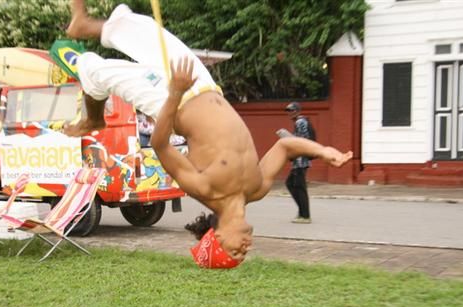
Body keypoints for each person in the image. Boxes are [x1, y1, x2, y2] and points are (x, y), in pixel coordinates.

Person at [64, 1, 352, 268]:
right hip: (204, 85)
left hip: (168, 98)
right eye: (243, 254)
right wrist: (323, 151)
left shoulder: (204, 189)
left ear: (216, 237)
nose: (246, 248)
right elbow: (286, 147)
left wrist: (175, 93)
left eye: (236, 252)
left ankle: (94, 118)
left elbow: (161, 145)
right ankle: (85, 25)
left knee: (102, 72)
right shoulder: (257, 188)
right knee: (146, 32)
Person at [283, 101, 316, 224]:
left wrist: (288, 139)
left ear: (297, 111)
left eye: (292, 110)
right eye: (288, 111)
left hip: (301, 160)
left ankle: (305, 215)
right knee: (291, 184)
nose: (290, 113)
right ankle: (302, 211)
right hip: (299, 160)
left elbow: (300, 142)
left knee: (299, 187)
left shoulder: (300, 122)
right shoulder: (301, 121)